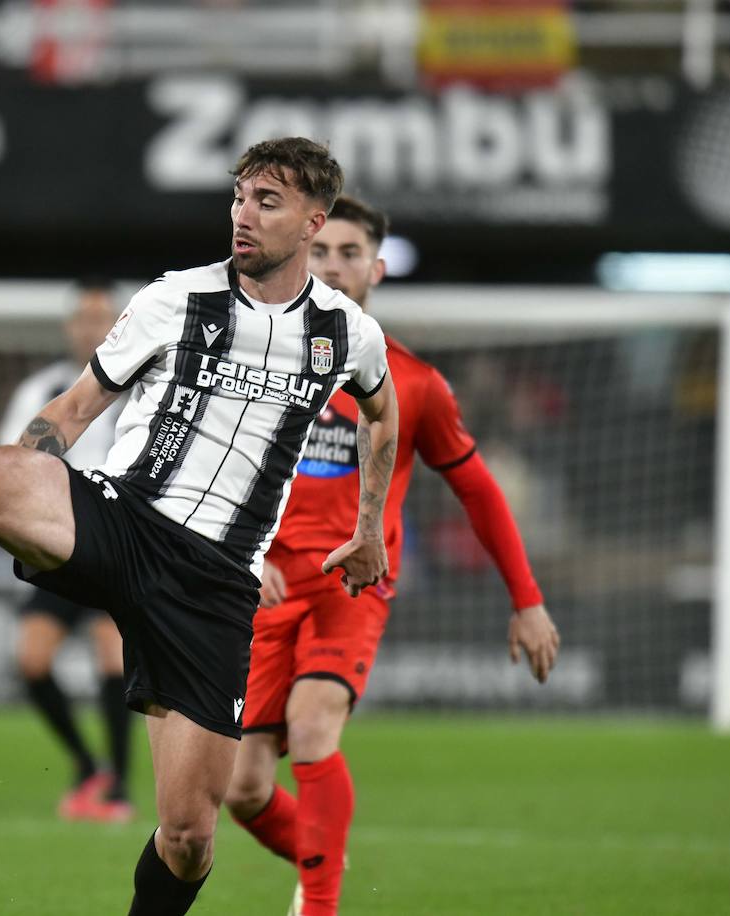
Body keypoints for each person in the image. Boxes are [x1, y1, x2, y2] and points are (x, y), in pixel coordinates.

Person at [0, 137, 399, 916]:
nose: (243, 215)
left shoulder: (346, 333)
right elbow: (70, 412)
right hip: (125, 521)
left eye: (266, 202)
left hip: (216, 584)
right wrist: (8, 498)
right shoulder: (175, 299)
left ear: (312, 221)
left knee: (191, 835)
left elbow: (382, 414)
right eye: (238, 197)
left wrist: (369, 528)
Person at [222, 196, 562, 916]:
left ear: (376, 269)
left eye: (351, 254)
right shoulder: (254, 362)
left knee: (315, 726)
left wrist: (525, 599)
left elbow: (477, 491)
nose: (335, 267)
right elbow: (217, 474)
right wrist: (242, 557)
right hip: (265, 589)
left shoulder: (412, 382)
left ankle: (319, 905)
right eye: (322, 252)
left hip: (351, 587)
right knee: (243, 789)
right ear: (299, 256)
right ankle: (321, 852)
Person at [0, 282, 134, 822]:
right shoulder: (42, 391)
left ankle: (120, 787)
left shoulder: (142, 387)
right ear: (69, 326)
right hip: (56, 547)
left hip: (116, 546)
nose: (90, 327)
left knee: (112, 656)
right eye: (82, 318)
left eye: (101, 317)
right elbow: (11, 462)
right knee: (31, 660)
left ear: (118, 325)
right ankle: (85, 764)